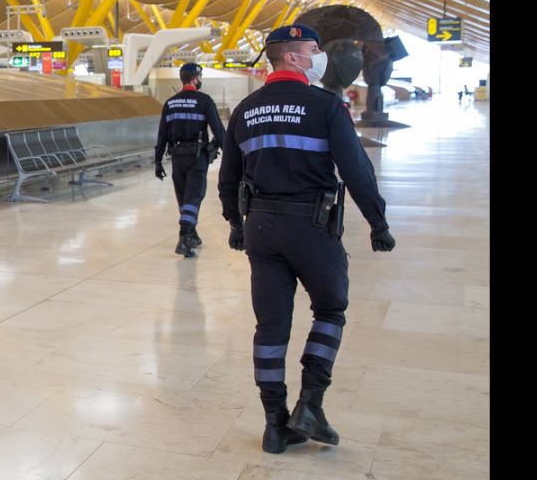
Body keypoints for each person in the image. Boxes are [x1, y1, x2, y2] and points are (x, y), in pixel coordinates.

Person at [217, 23, 396, 454]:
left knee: (270, 326)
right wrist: (378, 224)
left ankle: (275, 426)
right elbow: (356, 171)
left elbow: (227, 180)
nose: (321, 57)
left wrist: (236, 226)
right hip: (311, 227)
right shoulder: (325, 106)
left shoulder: (245, 109)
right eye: (314, 50)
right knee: (331, 308)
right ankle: (311, 405)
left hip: (261, 226)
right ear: (294, 57)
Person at [153, 62, 225, 257]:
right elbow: (219, 130)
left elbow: (162, 135)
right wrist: (224, 151)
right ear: (195, 78)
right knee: (194, 196)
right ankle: (184, 237)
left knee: (184, 196)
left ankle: (192, 233)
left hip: (177, 157)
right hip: (197, 157)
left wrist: (158, 161)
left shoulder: (170, 103)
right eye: (199, 77)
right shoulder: (204, 101)